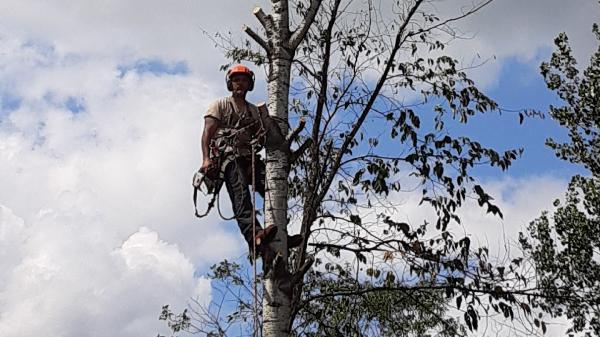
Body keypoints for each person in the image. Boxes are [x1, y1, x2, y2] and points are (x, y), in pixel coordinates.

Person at [199, 64, 300, 258]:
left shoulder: (253, 111)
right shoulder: (219, 105)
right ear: (230, 83)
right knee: (241, 195)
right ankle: (255, 236)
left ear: (249, 84)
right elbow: (207, 134)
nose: (240, 83)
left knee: (273, 187)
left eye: (244, 80)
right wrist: (206, 160)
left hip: (249, 158)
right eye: (236, 80)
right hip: (228, 158)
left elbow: (261, 138)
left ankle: (281, 235)